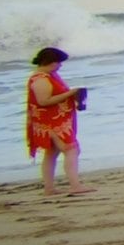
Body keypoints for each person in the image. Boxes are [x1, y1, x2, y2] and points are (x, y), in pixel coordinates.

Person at [26, 47, 93, 197]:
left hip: (56, 120)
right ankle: (75, 185)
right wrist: (70, 93)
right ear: (50, 62)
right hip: (51, 122)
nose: (60, 66)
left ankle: (49, 188)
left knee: (52, 153)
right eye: (58, 63)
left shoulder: (50, 76)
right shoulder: (40, 79)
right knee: (71, 149)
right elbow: (43, 101)